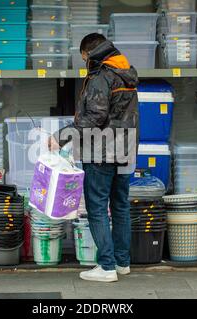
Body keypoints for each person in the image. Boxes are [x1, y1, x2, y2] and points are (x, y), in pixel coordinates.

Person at [49, 33, 139, 282]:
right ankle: (122, 262)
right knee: (120, 206)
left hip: (101, 151)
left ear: (90, 53)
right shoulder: (126, 72)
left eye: (84, 58)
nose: (84, 63)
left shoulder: (101, 76)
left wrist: (62, 136)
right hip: (124, 149)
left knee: (97, 207)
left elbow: (95, 117)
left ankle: (106, 266)